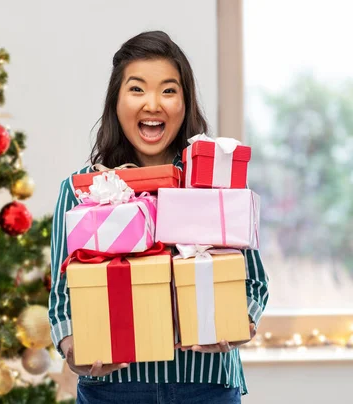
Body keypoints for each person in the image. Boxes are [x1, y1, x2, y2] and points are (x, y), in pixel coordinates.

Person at [48, 31, 269, 404]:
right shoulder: (82, 189)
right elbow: (61, 296)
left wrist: (238, 322)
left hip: (206, 385)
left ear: (185, 102)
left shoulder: (215, 180)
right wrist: (74, 347)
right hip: (112, 391)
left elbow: (254, 282)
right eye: (137, 89)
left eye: (168, 90)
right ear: (116, 102)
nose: (153, 103)